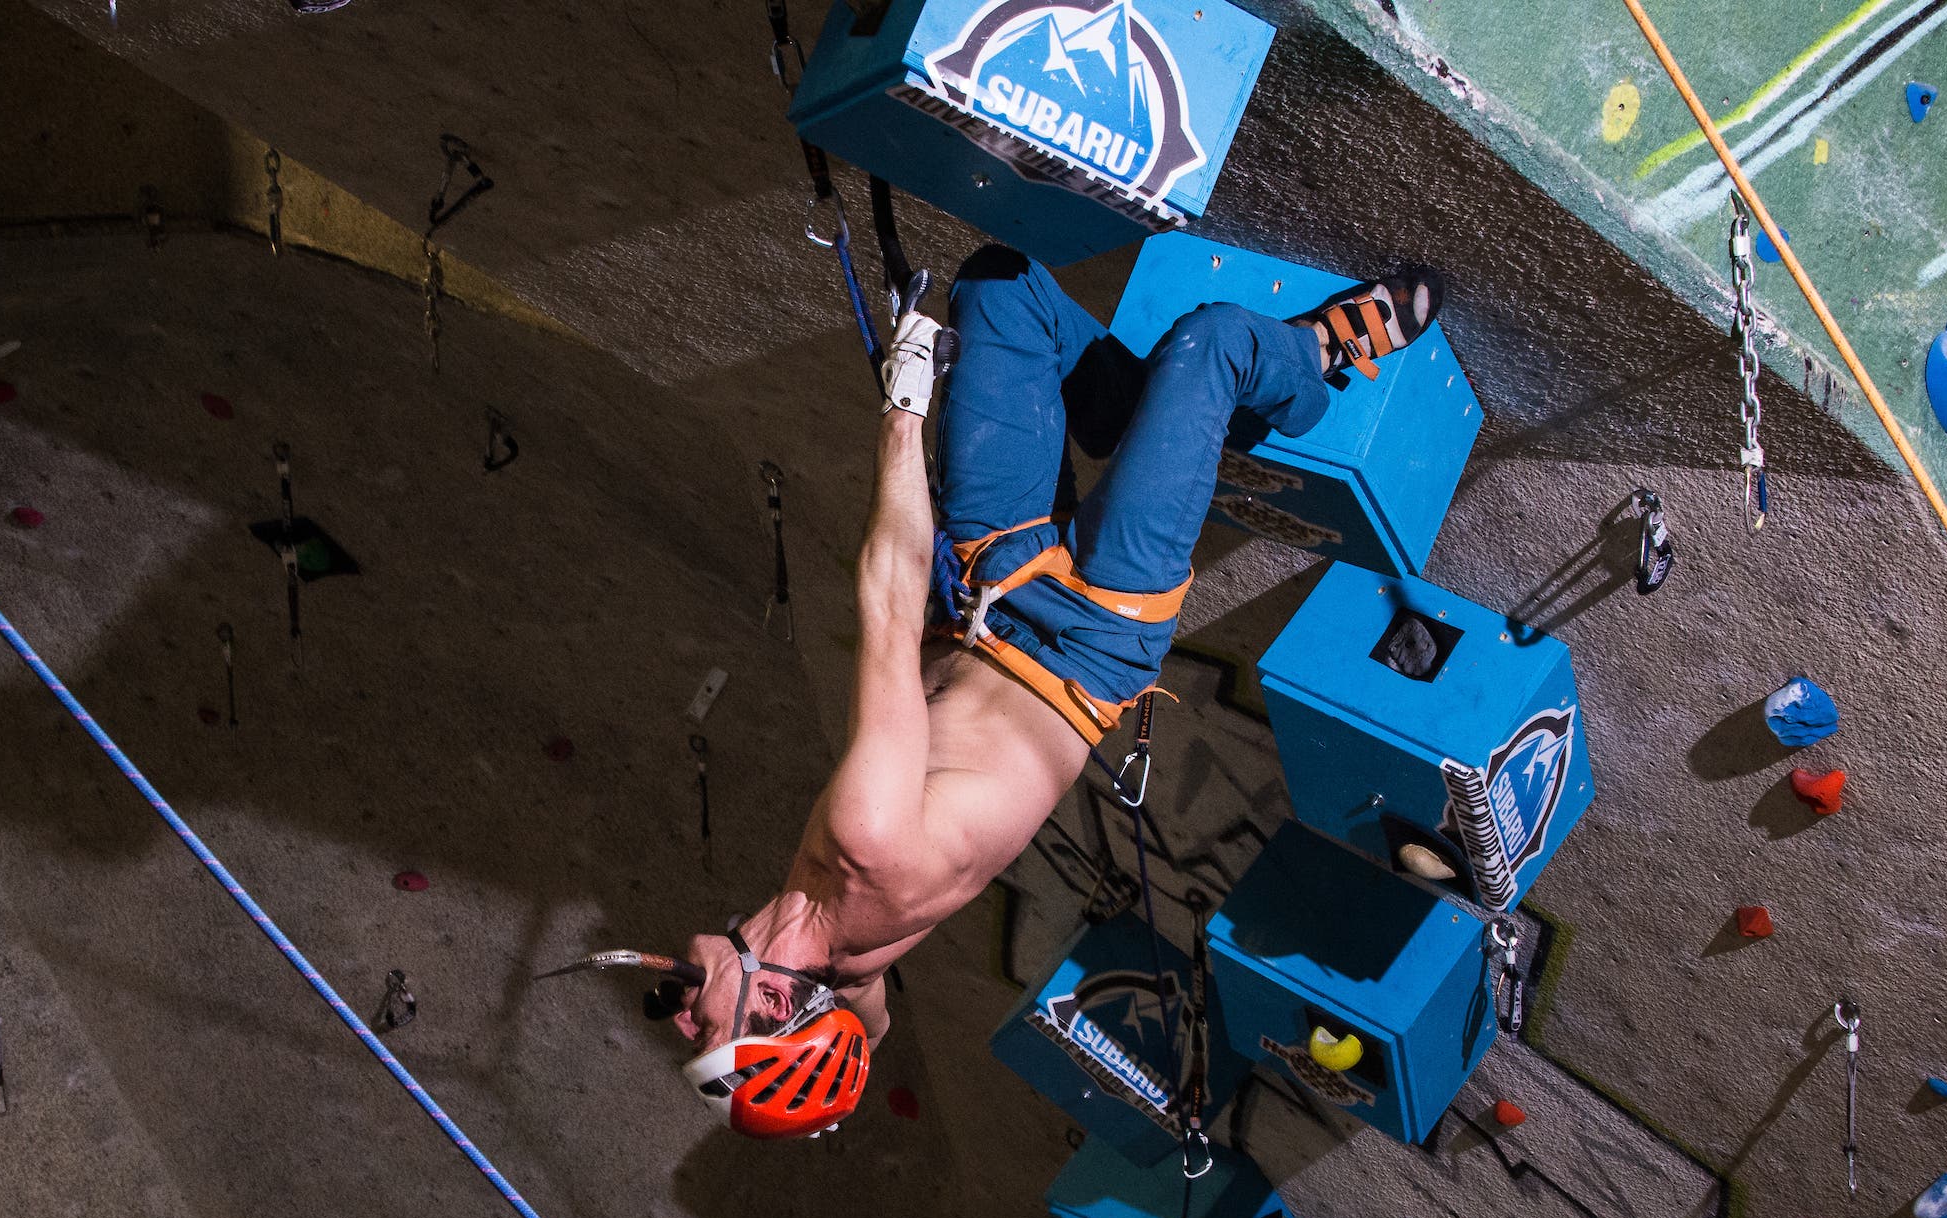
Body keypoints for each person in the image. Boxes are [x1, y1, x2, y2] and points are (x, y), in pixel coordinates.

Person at [545, 245, 1442, 1140]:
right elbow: (889, 596)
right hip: (1096, 634)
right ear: (778, 1003)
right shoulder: (863, 847)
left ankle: (1141, 419)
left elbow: (871, 1022)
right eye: (708, 1032)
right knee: (1213, 347)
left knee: (1005, 288)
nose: (685, 1018)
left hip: (996, 596)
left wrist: (799, 1016)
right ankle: (1319, 360)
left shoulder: (842, 967)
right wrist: (903, 409)